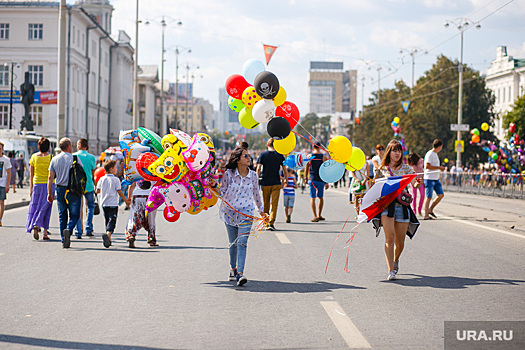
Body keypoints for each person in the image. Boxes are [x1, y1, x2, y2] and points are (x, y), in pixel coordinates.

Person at [375, 140, 422, 281]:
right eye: (394, 150)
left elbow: (414, 182)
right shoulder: (381, 169)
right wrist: (371, 183)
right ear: (389, 152)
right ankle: (391, 270)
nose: (397, 153)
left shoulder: (407, 169)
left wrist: (417, 183)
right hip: (386, 207)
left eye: (399, 150)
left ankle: (395, 261)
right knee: (389, 238)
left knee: (400, 242)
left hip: (402, 207)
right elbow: (375, 188)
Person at [220, 147, 265, 286]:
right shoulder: (229, 174)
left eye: (249, 156)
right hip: (230, 213)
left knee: (242, 242)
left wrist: (261, 210)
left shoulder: (253, 175)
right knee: (233, 243)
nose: (249, 158)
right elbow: (222, 191)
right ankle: (233, 269)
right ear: (238, 159)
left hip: (246, 213)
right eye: (245, 156)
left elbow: (256, 194)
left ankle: (240, 273)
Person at [47, 137, 82, 248]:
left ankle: (63, 238)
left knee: (62, 215)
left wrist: (49, 193)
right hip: (73, 190)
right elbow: (81, 173)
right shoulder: (75, 158)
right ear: (68, 146)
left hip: (60, 189)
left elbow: (50, 177)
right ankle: (69, 229)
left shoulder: (54, 159)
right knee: (75, 215)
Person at [96, 160, 130, 248]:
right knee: (112, 220)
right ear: (111, 169)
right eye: (115, 168)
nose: (116, 169)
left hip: (104, 203)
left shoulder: (101, 179)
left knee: (107, 220)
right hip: (113, 204)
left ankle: (109, 238)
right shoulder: (116, 179)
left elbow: (97, 191)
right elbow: (119, 192)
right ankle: (108, 234)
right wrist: (126, 200)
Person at [26, 138, 54, 240]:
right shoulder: (51, 157)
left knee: (36, 207)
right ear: (48, 147)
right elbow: (53, 174)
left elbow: (31, 175)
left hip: (37, 184)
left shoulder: (33, 157)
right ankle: (45, 233)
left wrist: (31, 188)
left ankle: (35, 224)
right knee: (47, 208)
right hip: (49, 185)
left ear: (39, 146)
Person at [256, 138, 287, 231]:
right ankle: (271, 222)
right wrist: (286, 180)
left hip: (265, 182)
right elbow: (284, 169)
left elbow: (258, 168)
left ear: (267, 144)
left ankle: (265, 222)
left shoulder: (263, 155)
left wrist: (256, 180)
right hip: (276, 182)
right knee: (274, 204)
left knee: (266, 203)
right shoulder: (280, 155)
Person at [73, 138, 96, 238]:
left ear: (79, 145)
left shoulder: (74, 156)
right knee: (90, 207)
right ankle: (88, 228)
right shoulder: (91, 157)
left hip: (77, 185)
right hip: (89, 185)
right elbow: (93, 171)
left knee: (78, 207)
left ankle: (78, 231)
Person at [125, 180, 158, 248]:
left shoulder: (137, 172)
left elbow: (131, 185)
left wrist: (129, 197)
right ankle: (151, 239)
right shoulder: (154, 171)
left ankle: (131, 236)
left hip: (137, 195)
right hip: (149, 196)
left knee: (134, 218)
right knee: (150, 218)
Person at [304, 141, 328, 222]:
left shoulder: (310, 156)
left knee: (312, 197)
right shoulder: (323, 157)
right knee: (320, 197)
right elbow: (325, 169)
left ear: (313, 146)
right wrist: (327, 181)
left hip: (312, 179)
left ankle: (315, 216)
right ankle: (319, 215)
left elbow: (306, 167)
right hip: (321, 179)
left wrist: (305, 178)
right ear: (320, 147)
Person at [423, 139, 446, 220]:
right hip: (429, 178)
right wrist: (439, 168)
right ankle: (426, 215)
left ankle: (430, 209)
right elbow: (427, 166)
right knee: (428, 197)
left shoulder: (435, 154)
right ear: (439, 147)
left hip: (435, 178)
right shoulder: (430, 154)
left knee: (441, 194)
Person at [0, 142, 12, 227]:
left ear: (2, 149)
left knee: (1, 202)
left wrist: (7, 184)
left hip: (2, 183)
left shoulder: (6, 159)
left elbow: (9, 173)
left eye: (0, 148)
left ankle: (0, 219)